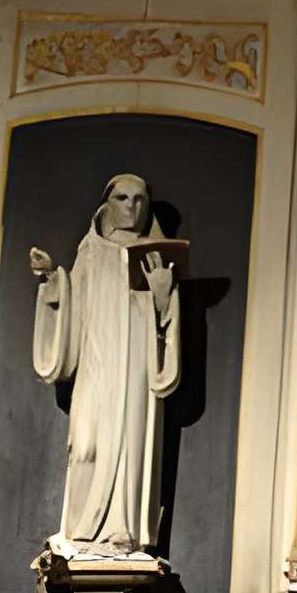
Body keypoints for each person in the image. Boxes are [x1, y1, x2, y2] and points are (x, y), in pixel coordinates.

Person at [27, 173, 182, 555]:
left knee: (128, 444)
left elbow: (165, 327)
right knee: (85, 445)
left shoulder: (155, 257)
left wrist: (163, 296)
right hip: (96, 363)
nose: (132, 207)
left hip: (134, 370)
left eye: (140, 200)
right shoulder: (90, 250)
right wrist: (50, 280)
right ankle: (80, 531)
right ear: (107, 202)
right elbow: (72, 307)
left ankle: (120, 531)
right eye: (123, 198)